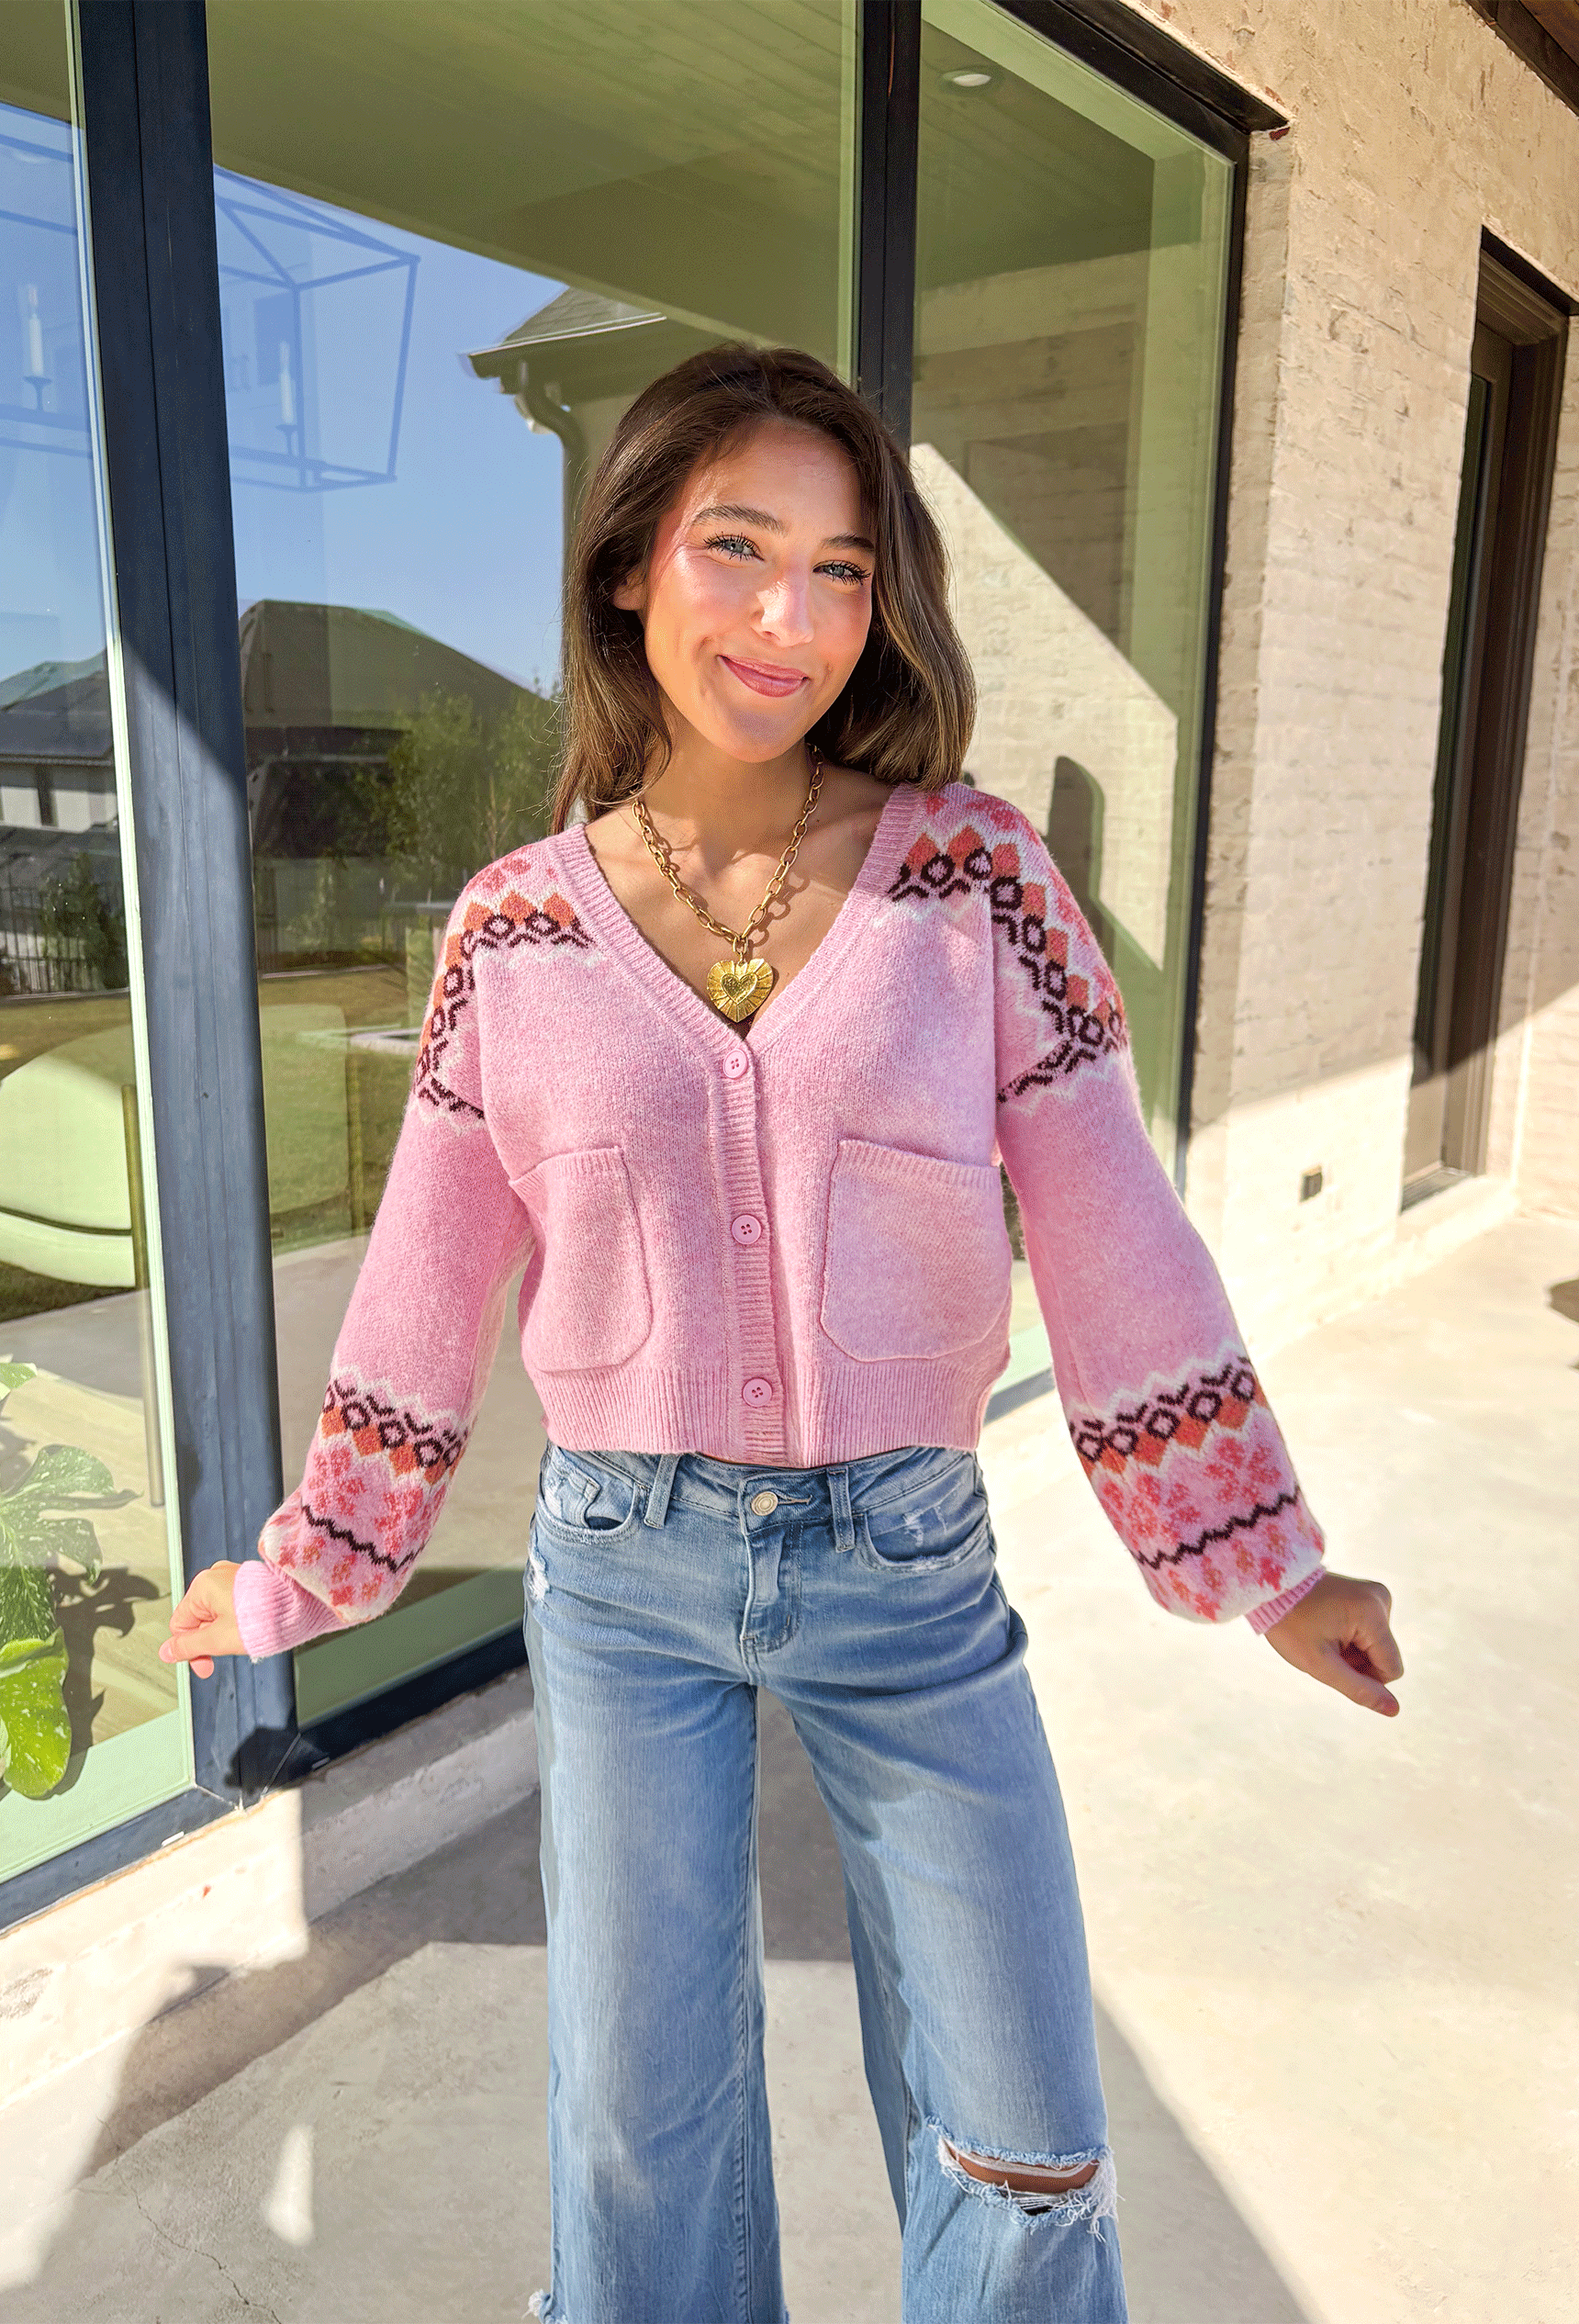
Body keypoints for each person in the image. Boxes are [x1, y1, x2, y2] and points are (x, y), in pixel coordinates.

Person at [162, 343, 1403, 2324]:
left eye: (841, 569)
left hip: (908, 1564)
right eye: (736, 547)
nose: (788, 616)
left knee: (1022, 2134)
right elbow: (420, 1275)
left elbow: (1110, 1232)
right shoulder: (514, 932)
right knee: (638, 2133)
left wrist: (1261, 1558)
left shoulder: (973, 878)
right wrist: (315, 1562)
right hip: (618, 1572)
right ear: (633, 567)